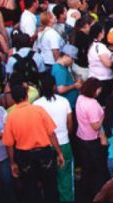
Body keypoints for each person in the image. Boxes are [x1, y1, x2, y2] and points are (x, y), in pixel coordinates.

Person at [2, 83, 65, 202]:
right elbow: (52, 134)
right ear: (26, 95)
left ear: (13, 99)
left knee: (30, 190)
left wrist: (12, 163)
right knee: (50, 188)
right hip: (44, 154)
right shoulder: (38, 110)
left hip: (25, 157)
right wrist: (59, 152)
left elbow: (9, 144)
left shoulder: (11, 116)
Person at [35, 73, 75, 202]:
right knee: (66, 179)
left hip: (44, 146)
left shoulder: (36, 105)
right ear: (54, 86)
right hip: (63, 143)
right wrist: (65, 134)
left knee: (48, 181)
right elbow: (70, 124)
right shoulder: (64, 102)